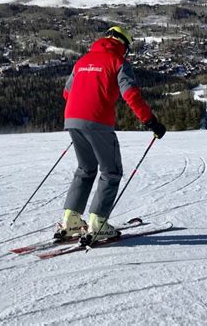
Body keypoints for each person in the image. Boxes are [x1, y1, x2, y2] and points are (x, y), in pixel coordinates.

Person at [56, 25, 166, 241]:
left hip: (72, 118)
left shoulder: (82, 61)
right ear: (123, 45)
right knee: (111, 171)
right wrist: (151, 121)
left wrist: (80, 118)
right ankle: (98, 224)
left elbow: (67, 92)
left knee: (85, 169)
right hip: (97, 121)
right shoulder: (119, 62)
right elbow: (131, 95)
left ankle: (70, 220)